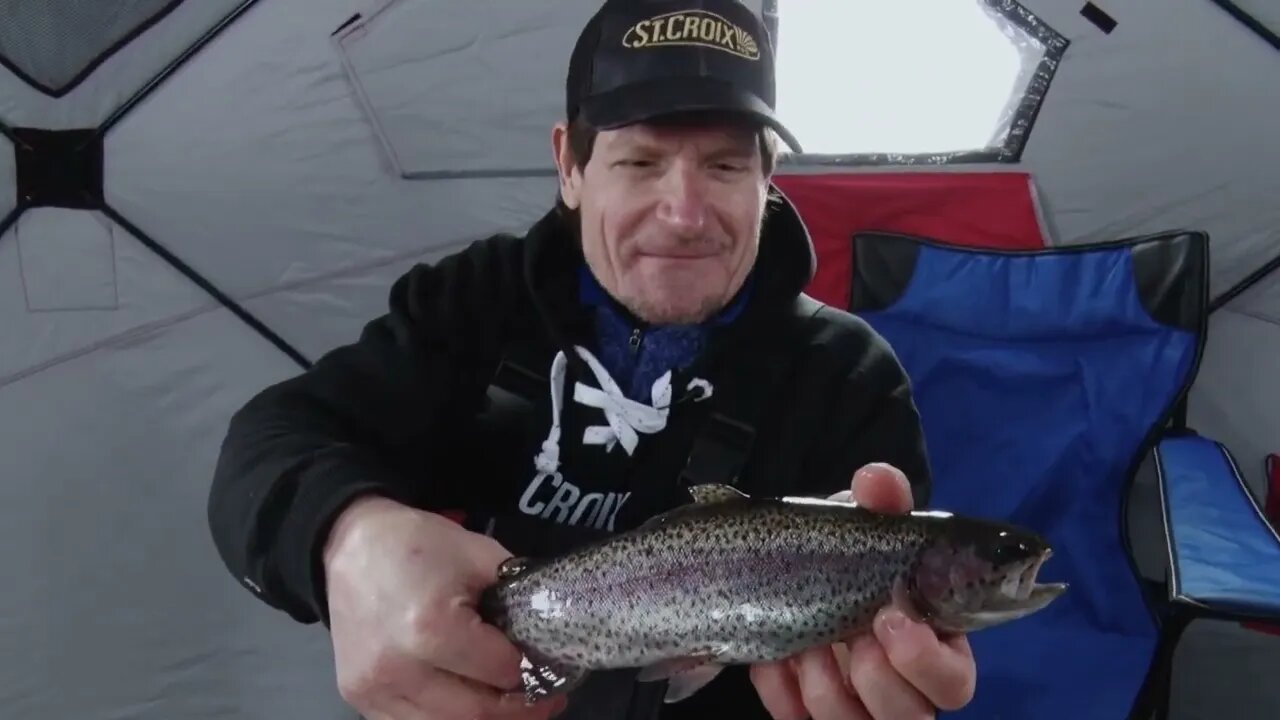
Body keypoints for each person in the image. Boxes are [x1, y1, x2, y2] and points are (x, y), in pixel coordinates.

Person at [206, 0, 977, 718]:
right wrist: (344, 538)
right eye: (640, 163)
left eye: (725, 166)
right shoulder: (475, 301)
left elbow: (876, 648)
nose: (683, 214)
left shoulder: (849, 376)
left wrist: (884, 686)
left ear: (768, 178)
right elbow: (270, 441)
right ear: (569, 167)